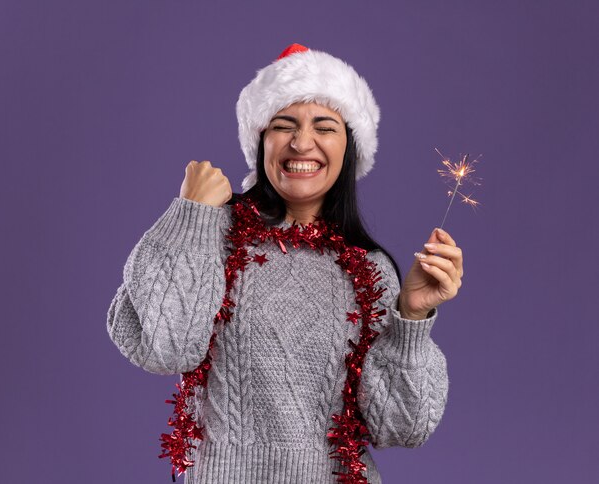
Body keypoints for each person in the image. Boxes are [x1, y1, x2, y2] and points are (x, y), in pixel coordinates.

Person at [107, 43, 463, 484]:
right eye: (283, 124)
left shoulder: (366, 268)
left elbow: (401, 429)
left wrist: (411, 317)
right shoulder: (209, 235)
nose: (302, 142)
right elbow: (165, 349)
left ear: (349, 146)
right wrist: (191, 215)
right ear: (260, 140)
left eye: (325, 127)